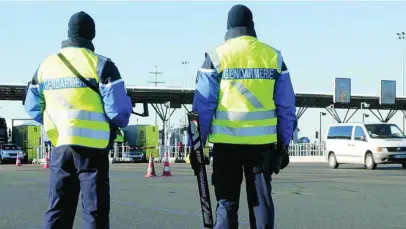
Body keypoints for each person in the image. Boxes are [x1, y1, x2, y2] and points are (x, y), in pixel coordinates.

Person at [189, 4, 297, 229]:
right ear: (252, 26)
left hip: (226, 145)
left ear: (228, 27)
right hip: (262, 147)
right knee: (261, 205)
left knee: (226, 203)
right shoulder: (273, 57)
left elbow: (203, 107)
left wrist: (196, 147)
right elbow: (286, 106)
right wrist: (284, 143)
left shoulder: (216, 57)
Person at [24, 11, 132, 229]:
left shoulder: (46, 66)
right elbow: (118, 112)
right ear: (92, 34)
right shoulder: (100, 64)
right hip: (93, 150)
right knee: (94, 211)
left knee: (57, 208)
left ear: (69, 33)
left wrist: (58, 124)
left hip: (60, 147)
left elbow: (32, 106)